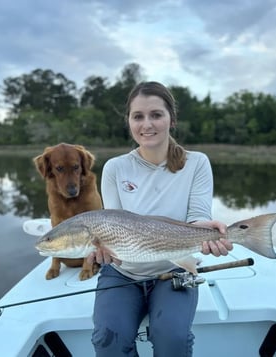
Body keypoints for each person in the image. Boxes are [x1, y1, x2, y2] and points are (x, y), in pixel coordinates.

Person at [88, 81, 233, 356]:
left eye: (156, 114)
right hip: (122, 271)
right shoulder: (115, 168)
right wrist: (99, 251)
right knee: (108, 342)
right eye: (138, 116)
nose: (147, 124)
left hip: (175, 269)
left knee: (172, 338)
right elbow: (112, 225)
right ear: (129, 121)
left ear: (172, 119)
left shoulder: (197, 162)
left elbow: (198, 218)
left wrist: (205, 233)